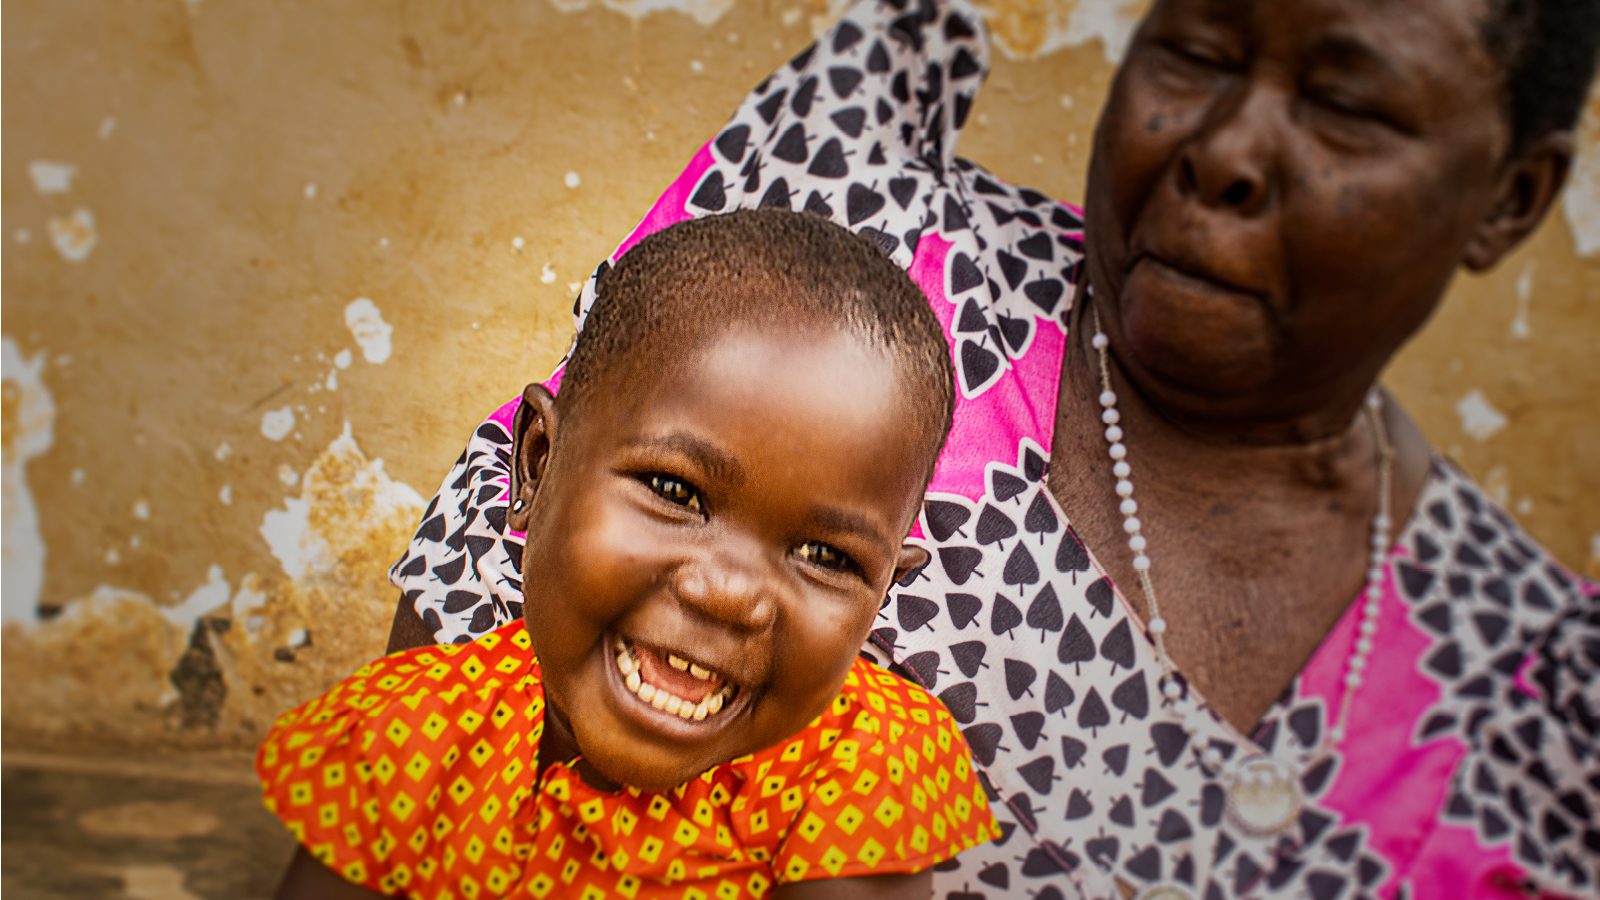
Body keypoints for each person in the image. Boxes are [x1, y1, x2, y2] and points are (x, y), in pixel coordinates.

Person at [388, 1, 1600, 896]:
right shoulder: (866, 256)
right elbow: (466, 644)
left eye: (1347, 106)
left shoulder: (1538, 708)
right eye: (1195, 50)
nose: (1223, 151)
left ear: (1509, 197)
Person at [259, 210, 998, 899]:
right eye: (674, 491)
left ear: (881, 595)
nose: (730, 593)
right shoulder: (409, 737)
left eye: (826, 556)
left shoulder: (861, 767)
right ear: (537, 465)